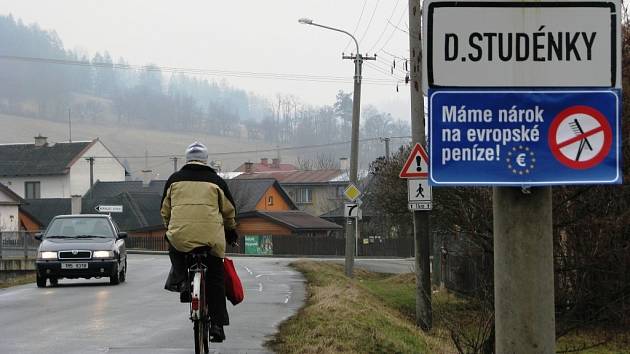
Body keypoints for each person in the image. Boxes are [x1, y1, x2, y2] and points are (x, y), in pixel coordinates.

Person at [161, 141, 239, 343]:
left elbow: (165, 211)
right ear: (206, 160)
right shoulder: (217, 182)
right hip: (211, 240)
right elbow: (229, 212)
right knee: (215, 278)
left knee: (175, 248)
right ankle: (217, 325)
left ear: (187, 159)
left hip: (180, 238)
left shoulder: (173, 180)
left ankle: (184, 282)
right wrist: (231, 231)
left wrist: (170, 228)